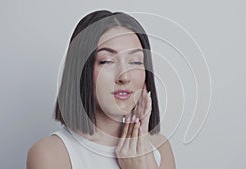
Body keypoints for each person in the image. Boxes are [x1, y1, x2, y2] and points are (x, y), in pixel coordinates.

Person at [27, 10, 176, 169]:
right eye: (106, 61)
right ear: (81, 72)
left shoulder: (159, 147)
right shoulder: (50, 154)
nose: (124, 77)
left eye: (135, 62)